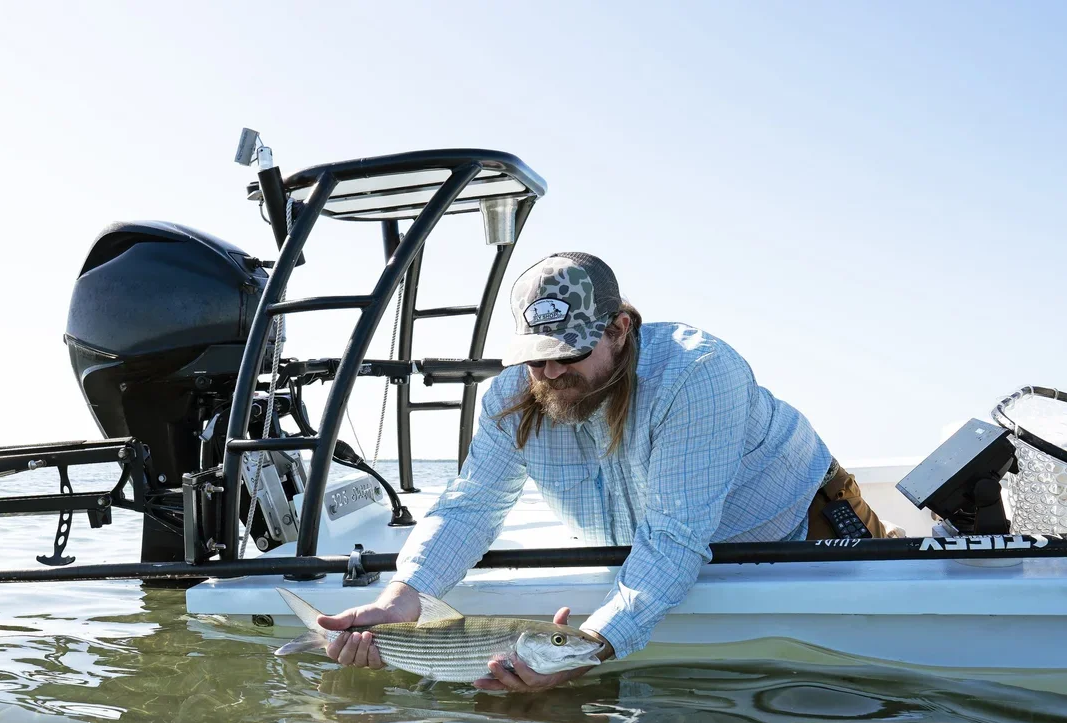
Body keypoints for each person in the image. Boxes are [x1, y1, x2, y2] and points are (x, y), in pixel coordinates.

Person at [318, 252, 889, 692]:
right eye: (535, 354)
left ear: (620, 329)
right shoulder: (512, 394)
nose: (549, 370)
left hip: (805, 529)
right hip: (668, 557)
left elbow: (671, 540)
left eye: (567, 352)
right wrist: (402, 597)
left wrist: (591, 646)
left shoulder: (697, 374)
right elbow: (471, 506)